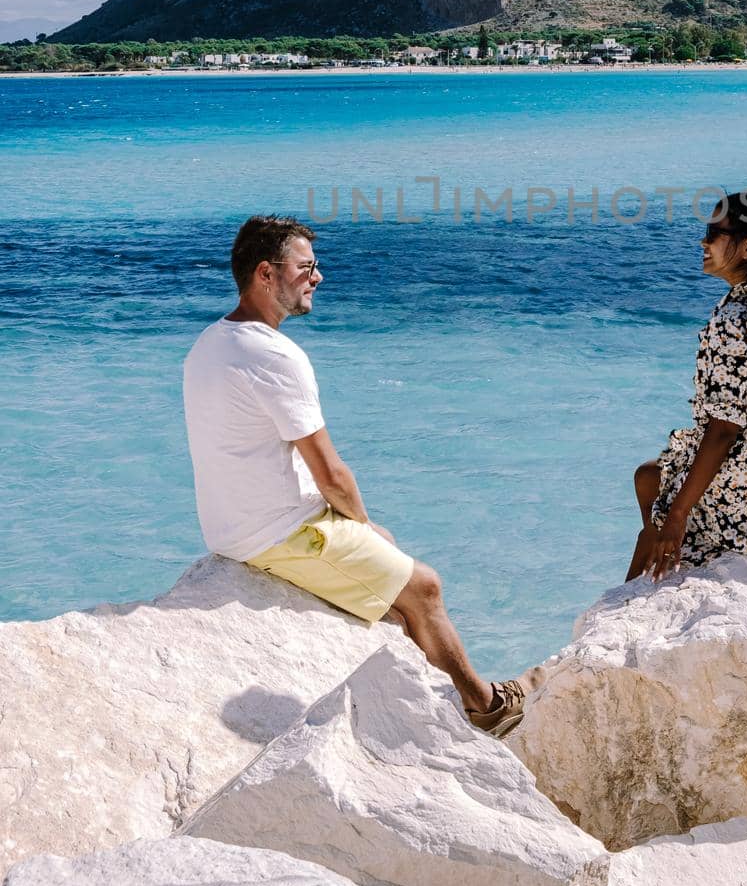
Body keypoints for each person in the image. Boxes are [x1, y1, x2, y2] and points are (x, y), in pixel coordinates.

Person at [183, 214, 524, 739]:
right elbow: (331, 473)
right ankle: (487, 707)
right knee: (424, 588)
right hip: (276, 532)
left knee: (393, 590)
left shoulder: (211, 341)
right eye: (306, 267)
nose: (318, 277)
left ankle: (431, 703)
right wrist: (363, 527)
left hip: (233, 524)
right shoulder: (274, 355)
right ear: (265, 275)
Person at [627, 191, 747, 585]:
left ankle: (626, 602)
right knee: (649, 477)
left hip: (738, 502)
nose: (703, 242)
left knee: (657, 505)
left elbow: (723, 431)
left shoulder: (734, 318)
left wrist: (679, 516)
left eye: (715, 233)